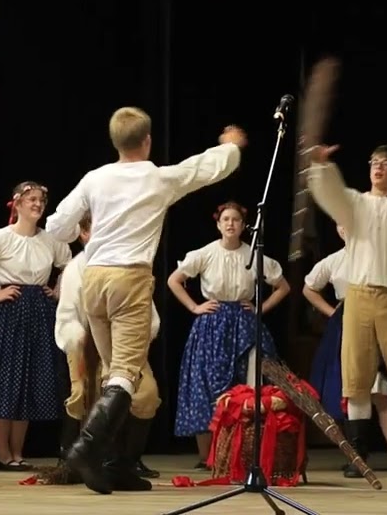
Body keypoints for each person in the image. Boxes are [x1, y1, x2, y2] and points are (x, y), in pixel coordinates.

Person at [46, 107, 246, 494]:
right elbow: (203, 168)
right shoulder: (157, 178)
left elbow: (57, 226)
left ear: (116, 142)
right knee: (124, 373)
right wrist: (232, 147)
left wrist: (83, 223)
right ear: (148, 141)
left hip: (94, 278)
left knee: (113, 374)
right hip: (129, 280)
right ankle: (87, 449)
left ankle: (115, 465)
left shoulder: (95, 178)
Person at [306, 143, 387, 478]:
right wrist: (323, 167)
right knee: (356, 377)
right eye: (374, 162)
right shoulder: (357, 205)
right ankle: (358, 456)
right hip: (358, 297)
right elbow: (333, 196)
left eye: (385, 164)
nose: (378, 168)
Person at [0, 181, 72, 471]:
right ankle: (3, 455)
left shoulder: (50, 240)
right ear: (17, 203)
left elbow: (69, 264)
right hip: (8, 313)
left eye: (41, 201)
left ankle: (18, 453)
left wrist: (57, 290)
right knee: (4, 383)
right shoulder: (1, 238)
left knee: (29, 381)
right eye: (31, 199)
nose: (37, 205)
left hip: (38, 311)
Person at [167, 201, 290, 466]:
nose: (231, 223)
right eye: (226, 219)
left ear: (244, 226)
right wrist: (194, 307)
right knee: (206, 385)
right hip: (212, 326)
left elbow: (283, 286)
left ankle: (240, 453)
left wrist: (260, 309)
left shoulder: (253, 255)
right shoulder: (205, 253)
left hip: (243, 325)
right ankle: (207, 457)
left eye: (235, 219)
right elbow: (173, 280)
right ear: (218, 224)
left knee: (244, 386)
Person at [51, 214, 162, 489]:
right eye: (94, 230)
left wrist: (142, 336)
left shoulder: (128, 260)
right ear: (84, 235)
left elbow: (147, 311)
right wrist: (76, 343)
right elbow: (67, 314)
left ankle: (123, 464)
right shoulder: (77, 267)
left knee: (147, 395)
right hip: (86, 343)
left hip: (125, 344)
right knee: (83, 394)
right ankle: (75, 458)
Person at [304, 225, 387, 474]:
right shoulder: (334, 260)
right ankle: (357, 457)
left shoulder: (378, 255)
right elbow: (308, 287)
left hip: (378, 317)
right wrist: (332, 312)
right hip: (347, 321)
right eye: (343, 225)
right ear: (338, 229)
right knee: (352, 389)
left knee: (381, 390)